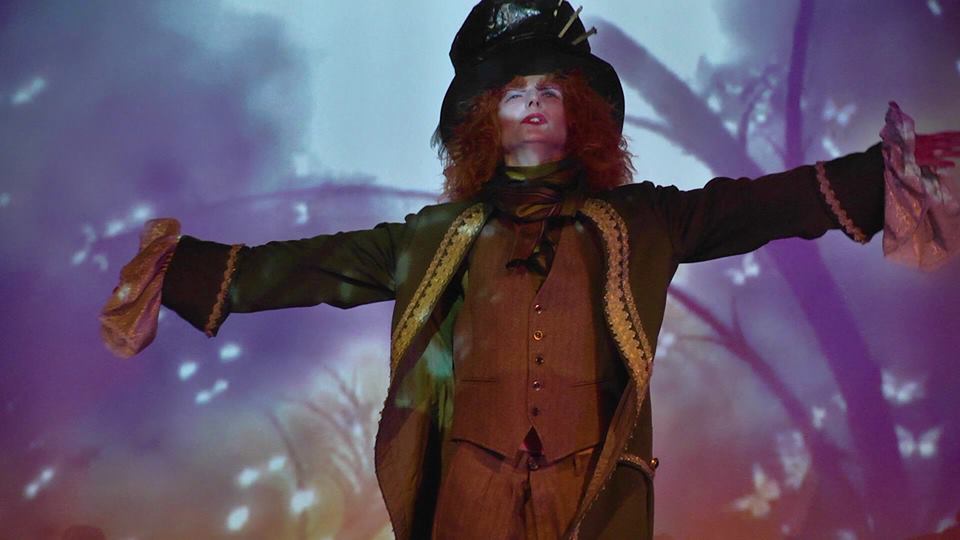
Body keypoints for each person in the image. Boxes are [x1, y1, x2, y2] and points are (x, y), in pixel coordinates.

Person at [100, 1, 960, 538]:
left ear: (578, 111)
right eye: (515, 92)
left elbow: (760, 204)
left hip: (589, 488)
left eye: (550, 89)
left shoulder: (643, 220)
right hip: (469, 492)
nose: (535, 101)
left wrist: (885, 174)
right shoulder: (436, 235)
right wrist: (180, 271)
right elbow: (312, 266)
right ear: (488, 121)